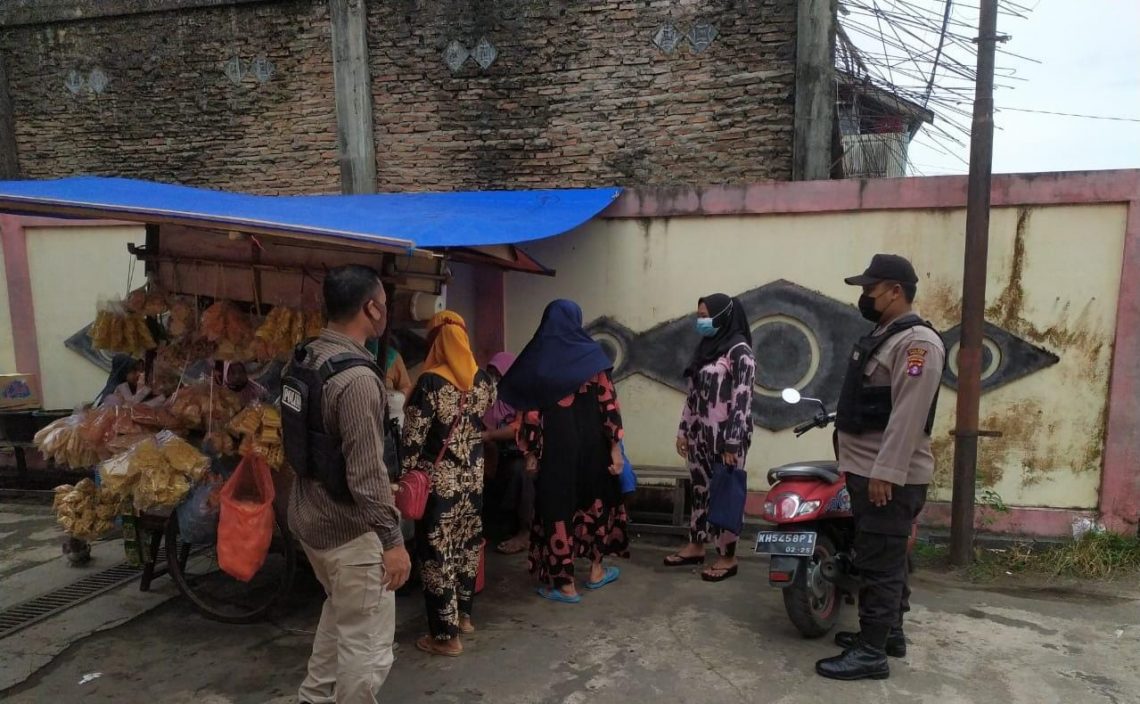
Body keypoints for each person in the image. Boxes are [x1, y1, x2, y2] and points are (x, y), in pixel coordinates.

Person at [815, 253, 945, 682]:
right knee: (886, 557)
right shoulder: (887, 335)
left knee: (880, 565)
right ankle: (888, 635)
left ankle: (872, 653)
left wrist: (886, 474)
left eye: (869, 289)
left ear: (894, 290)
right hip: (871, 472)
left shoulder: (917, 344)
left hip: (887, 477)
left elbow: (907, 416)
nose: (863, 296)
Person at [285, 264, 411, 704]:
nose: (386, 313)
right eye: (385, 305)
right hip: (350, 534)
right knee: (367, 648)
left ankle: (314, 698)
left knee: (340, 617)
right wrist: (393, 542)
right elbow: (366, 473)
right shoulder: (357, 379)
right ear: (371, 308)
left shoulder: (305, 357)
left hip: (310, 521)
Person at [497, 299, 629, 604]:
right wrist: (615, 448)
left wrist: (529, 453)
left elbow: (530, 414)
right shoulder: (593, 356)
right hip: (593, 448)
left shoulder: (539, 360)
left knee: (556, 509)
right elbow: (609, 406)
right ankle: (596, 571)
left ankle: (565, 585)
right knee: (596, 503)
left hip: (555, 451)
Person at [401, 311, 495, 657]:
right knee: (467, 548)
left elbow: (412, 439)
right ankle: (464, 618)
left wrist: (404, 477)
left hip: (439, 486)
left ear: (436, 341)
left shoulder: (430, 382)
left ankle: (445, 636)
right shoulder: (483, 381)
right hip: (474, 481)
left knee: (436, 555)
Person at [666, 294, 756, 582]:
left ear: (722, 316)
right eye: (698, 315)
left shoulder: (739, 351)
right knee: (700, 491)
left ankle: (727, 556)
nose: (700, 321)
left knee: (726, 494)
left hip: (727, 437)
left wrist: (732, 441)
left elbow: (743, 398)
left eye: (705, 315)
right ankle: (696, 544)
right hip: (700, 435)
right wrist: (684, 430)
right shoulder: (707, 349)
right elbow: (693, 396)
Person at [480, 352, 532, 555]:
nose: (495, 378)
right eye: (491, 373)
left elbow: (517, 428)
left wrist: (490, 435)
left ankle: (525, 532)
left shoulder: (521, 394)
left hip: (524, 455)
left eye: (499, 373)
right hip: (497, 455)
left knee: (521, 473)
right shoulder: (491, 398)